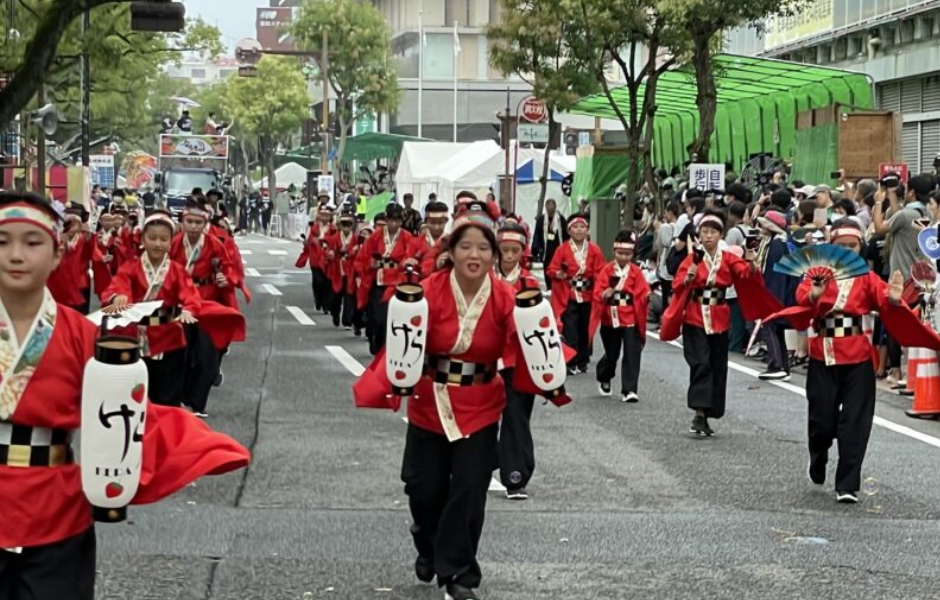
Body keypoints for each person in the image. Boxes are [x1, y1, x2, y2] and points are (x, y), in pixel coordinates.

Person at [0, 192, 250, 600]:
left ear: (57, 253)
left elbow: (124, 413)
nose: (15, 255)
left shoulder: (81, 335)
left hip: (55, 507)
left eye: (32, 242)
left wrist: (203, 447)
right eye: (2, 241)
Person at [353, 203, 570, 600]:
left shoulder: (505, 297)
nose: (475, 255)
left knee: (470, 489)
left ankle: (459, 574)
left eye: (484, 249)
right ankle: (428, 541)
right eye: (466, 247)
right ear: (450, 251)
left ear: (494, 254)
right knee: (424, 489)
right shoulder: (427, 293)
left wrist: (548, 372)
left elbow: (531, 344)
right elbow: (402, 346)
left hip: (481, 403)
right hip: (430, 401)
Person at [766, 219, 940, 502]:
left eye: (853, 246)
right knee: (822, 421)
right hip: (823, 355)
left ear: (860, 247)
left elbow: (884, 300)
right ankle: (818, 455)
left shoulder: (867, 278)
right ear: (830, 247)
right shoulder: (816, 274)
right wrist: (814, 294)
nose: (847, 251)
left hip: (858, 357)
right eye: (841, 246)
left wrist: (895, 300)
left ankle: (847, 483)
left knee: (856, 422)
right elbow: (800, 299)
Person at [660, 207, 781, 436]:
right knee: (700, 363)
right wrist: (687, 278)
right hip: (695, 316)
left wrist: (753, 262)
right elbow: (677, 286)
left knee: (716, 366)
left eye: (713, 232)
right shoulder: (692, 259)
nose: (708, 236)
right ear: (698, 235)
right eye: (704, 231)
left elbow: (746, 273)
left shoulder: (727, 259)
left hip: (719, 317)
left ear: (720, 235)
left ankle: (707, 412)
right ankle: (698, 412)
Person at [493, 221, 541, 500]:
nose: (509, 256)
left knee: (519, 416)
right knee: (497, 416)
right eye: (505, 250)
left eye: (515, 250)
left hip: (522, 359)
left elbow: (540, 324)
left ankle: (512, 468)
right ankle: (513, 472)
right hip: (491, 357)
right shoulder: (486, 279)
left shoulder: (528, 283)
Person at [591, 230, 651, 403]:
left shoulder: (636, 272)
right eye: (620, 253)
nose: (624, 257)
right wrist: (605, 293)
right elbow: (597, 294)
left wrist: (646, 296)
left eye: (627, 254)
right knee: (612, 354)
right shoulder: (606, 270)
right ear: (614, 252)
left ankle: (629, 389)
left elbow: (642, 289)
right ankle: (604, 375)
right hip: (610, 317)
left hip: (630, 317)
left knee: (632, 353)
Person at [547, 212, 605, 374]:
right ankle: (570, 361)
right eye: (575, 227)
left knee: (585, 328)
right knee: (570, 328)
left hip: (587, 294)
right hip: (569, 294)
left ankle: (583, 360)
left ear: (587, 231)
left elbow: (601, 270)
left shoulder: (594, 250)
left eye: (582, 227)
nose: (579, 230)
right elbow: (551, 269)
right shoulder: (562, 249)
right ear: (569, 231)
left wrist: (598, 281)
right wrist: (558, 274)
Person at [359, 203, 414, 355]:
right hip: (379, 280)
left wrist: (406, 262)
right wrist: (370, 263)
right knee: (378, 318)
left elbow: (410, 256)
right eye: (391, 220)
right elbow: (364, 256)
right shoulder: (375, 237)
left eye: (397, 221)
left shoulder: (407, 237)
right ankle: (376, 341)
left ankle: (385, 349)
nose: (394, 224)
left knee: (392, 319)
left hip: (397, 281)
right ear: (387, 220)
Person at [755, 210, 796, 380]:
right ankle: (783, 366)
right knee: (777, 329)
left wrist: (771, 299)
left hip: (776, 293)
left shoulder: (776, 246)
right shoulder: (784, 242)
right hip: (784, 291)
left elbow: (776, 275)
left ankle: (776, 365)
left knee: (770, 326)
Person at [47, 208, 95, 314]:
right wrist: (59, 244)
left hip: (79, 284)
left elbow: (89, 254)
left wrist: (89, 240)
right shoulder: (56, 240)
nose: (71, 226)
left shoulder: (84, 240)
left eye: (74, 223)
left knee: (79, 315)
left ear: (79, 226)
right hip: (59, 285)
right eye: (68, 223)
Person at [296, 205, 336, 313]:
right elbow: (309, 241)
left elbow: (335, 242)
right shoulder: (314, 228)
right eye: (322, 215)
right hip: (316, 258)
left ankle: (326, 304)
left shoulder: (333, 229)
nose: (324, 217)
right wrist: (309, 242)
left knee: (328, 282)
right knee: (317, 281)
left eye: (327, 215)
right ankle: (318, 299)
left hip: (328, 259)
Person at [325, 210, 360, 329]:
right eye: (344, 224)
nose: (346, 227)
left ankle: (347, 321)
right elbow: (329, 250)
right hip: (338, 268)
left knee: (349, 295)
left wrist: (355, 251)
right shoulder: (334, 238)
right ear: (340, 225)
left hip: (350, 269)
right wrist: (330, 253)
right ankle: (335, 313)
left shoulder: (355, 238)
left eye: (349, 224)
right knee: (336, 295)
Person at [405, 201, 449, 278]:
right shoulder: (415, 242)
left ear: (446, 221)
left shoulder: (452, 242)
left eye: (440, 223)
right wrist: (407, 263)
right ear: (426, 221)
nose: (436, 227)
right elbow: (407, 266)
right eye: (432, 223)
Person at [531, 199, 567, 289]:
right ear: (546, 207)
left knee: (557, 269)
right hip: (546, 250)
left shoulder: (560, 220)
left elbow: (565, 235)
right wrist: (535, 249)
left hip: (557, 249)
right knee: (547, 270)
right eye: (548, 206)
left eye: (552, 206)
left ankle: (556, 287)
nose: (550, 208)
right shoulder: (541, 220)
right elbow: (537, 234)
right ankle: (548, 287)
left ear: (555, 207)